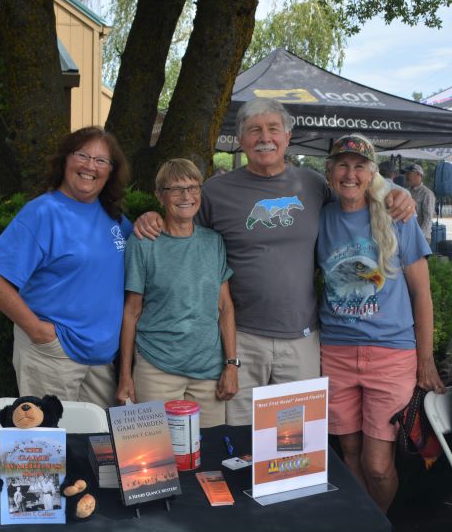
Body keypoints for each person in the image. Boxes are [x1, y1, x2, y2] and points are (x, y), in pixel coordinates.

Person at [134, 98, 417, 425]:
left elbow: (358, 190)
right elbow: (181, 231)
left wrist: (397, 193)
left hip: (301, 338)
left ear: (287, 136)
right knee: (238, 441)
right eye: (254, 130)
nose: (264, 137)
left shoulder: (312, 186)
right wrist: (151, 215)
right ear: (241, 140)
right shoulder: (214, 192)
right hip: (241, 337)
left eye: (272, 129)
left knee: (294, 444)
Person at [318, 134, 445, 513]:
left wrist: (426, 359)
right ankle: (364, 522)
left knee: (378, 464)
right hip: (336, 351)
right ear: (329, 172)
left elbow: (422, 294)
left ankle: (380, 521)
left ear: (373, 173)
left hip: (391, 354)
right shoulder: (321, 216)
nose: (350, 173)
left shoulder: (397, 216)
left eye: (359, 166)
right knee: (349, 455)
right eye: (342, 165)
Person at [0, 126, 132, 408]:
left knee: (97, 446)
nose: (90, 166)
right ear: (65, 160)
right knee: (49, 447)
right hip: (53, 355)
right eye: (82, 155)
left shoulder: (114, 218)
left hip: (101, 359)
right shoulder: (43, 212)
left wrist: (150, 221)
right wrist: (35, 329)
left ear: (111, 171)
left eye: (100, 160)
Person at [117, 159, 237, 428]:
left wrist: (231, 365)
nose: (187, 196)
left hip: (208, 371)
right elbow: (132, 311)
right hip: (157, 367)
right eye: (176, 189)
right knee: (155, 459)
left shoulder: (213, 242)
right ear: (160, 196)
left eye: (193, 187)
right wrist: (125, 375)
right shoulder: (143, 243)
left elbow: (225, 308)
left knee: (209, 457)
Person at [405, 163, 436, 245]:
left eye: (409, 173)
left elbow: (428, 218)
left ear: (418, 174)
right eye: (406, 173)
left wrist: (419, 235)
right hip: (408, 235)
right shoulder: (406, 191)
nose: (406, 176)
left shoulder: (427, 193)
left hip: (422, 237)